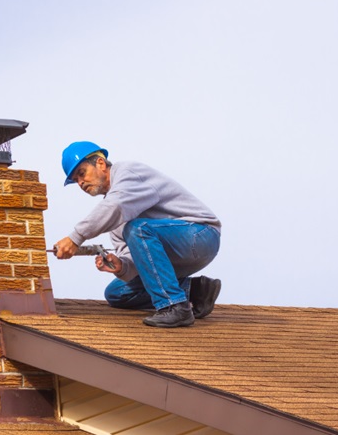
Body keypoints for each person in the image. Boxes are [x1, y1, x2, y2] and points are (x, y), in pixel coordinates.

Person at [54, 141, 222, 328]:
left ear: (100, 163)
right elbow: (136, 259)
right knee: (117, 293)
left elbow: (116, 206)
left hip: (201, 235)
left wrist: (75, 237)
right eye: (76, 180)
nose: (80, 182)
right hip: (175, 254)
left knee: (138, 229)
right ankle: (196, 291)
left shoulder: (128, 173)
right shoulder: (115, 217)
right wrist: (122, 267)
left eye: (81, 173)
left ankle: (174, 307)